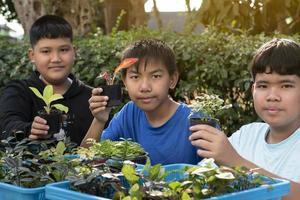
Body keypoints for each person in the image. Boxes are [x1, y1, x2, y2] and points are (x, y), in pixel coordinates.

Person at [189, 38, 300, 199]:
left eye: (286, 85)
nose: (272, 96)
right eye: (263, 86)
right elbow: (198, 179)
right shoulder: (247, 135)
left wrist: (235, 163)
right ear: (253, 89)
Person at [82, 39, 202, 165]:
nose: (144, 87)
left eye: (155, 76)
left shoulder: (195, 121)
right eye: (135, 77)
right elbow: (85, 161)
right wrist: (99, 121)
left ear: (172, 80)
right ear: (125, 82)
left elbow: (219, 173)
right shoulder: (129, 113)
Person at [0, 15, 93, 146]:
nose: (55, 58)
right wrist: (29, 130)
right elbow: (7, 125)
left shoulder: (92, 98)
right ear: (32, 55)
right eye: (46, 51)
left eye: (64, 50)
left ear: (74, 52)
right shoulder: (18, 92)